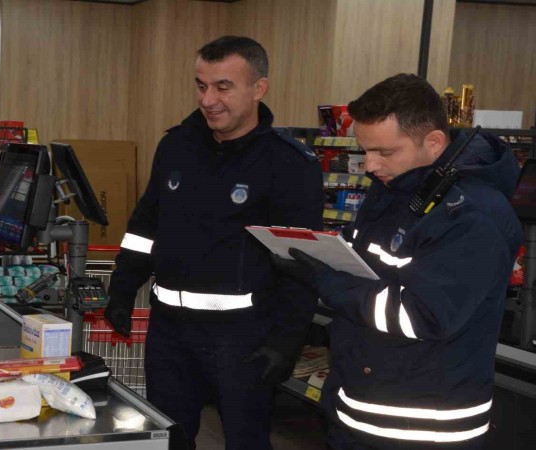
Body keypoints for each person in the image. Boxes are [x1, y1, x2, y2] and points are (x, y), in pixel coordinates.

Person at [274, 73, 523, 449]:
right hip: (362, 406)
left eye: (384, 152)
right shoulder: (397, 187)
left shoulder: (473, 216)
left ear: (433, 142)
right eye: (365, 151)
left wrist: (326, 280)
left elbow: (421, 314)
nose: (370, 165)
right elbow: (375, 266)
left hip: (420, 429)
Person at [104, 36, 324, 450]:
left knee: (245, 442)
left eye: (223, 87)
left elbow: (301, 263)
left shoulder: (289, 165)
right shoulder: (175, 146)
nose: (208, 100)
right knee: (169, 438)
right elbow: (145, 226)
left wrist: (286, 342)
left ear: (259, 88)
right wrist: (122, 287)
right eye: (201, 85)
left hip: (241, 338)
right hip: (169, 331)